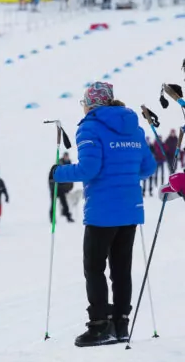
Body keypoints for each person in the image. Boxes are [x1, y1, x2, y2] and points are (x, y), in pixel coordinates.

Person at [53, 82, 156, 346]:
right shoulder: (134, 127)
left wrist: (57, 173)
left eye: (84, 102)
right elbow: (148, 167)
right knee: (121, 269)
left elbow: (89, 169)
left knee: (94, 268)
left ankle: (99, 327)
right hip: (130, 210)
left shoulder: (90, 127)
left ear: (91, 104)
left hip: (102, 211)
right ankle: (121, 325)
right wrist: (125, 173)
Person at [49, 152, 75, 223]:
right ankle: (52, 219)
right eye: (65, 156)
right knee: (53, 204)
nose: (66, 158)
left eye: (67, 156)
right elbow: (50, 178)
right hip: (54, 189)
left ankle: (68, 217)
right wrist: (52, 186)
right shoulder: (56, 166)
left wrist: (68, 188)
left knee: (64, 204)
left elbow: (70, 180)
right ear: (63, 157)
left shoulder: (69, 166)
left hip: (61, 190)